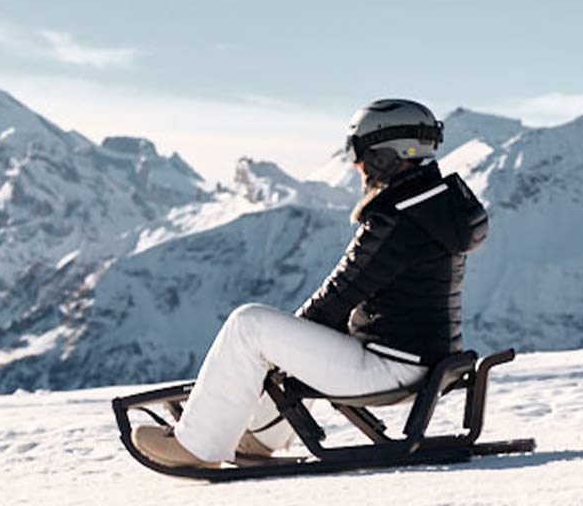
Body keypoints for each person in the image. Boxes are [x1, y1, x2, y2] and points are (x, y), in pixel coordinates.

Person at [132, 99, 489, 467]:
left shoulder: (395, 219)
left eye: (358, 152)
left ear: (384, 154)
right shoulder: (431, 210)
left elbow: (337, 297)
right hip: (425, 364)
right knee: (293, 339)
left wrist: (281, 347)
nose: (355, 165)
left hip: (390, 369)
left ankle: (198, 447)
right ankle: (258, 438)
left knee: (249, 325)